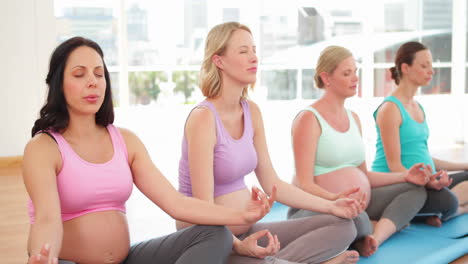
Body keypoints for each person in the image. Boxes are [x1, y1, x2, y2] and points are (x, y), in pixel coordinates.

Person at [24, 36, 273, 264]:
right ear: (59, 84)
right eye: (79, 75)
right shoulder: (44, 148)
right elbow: (47, 219)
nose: (92, 82)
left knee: (214, 234)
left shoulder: (125, 140)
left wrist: (241, 216)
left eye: (99, 74)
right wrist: (44, 255)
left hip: (128, 259)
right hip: (69, 261)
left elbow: (176, 203)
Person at [176, 22, 366, 264]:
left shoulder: (251, 111)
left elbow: (273, 183)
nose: (254, 57)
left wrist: (332, 205)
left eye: (254, 50)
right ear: (219, 61)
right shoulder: (203, 119)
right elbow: (203, 210)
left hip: (248, 229)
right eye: (243, 51)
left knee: (343, 226)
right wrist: (241, 247)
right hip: (211, 243)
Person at [287, 45, 431, 257]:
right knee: (357, 219)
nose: (355, 78)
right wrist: (335, 199)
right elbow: (304, 184)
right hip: (319, 207)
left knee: (415, 190)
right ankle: (368, 230)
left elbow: (364, 175)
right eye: (347, 73)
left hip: (357, 204)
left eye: (355, 72)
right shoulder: (308, 119)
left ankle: (374, 236)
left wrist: (405, 176)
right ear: (326, 78)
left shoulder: (354, 118)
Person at [372, 41, 468, 227]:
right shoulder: (390, 109)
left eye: (431, 65)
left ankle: (436, 213)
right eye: (424, 66)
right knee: (449, 201)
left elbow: (425, 157)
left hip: (428, 182)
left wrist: (463, 165)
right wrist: (426, 182)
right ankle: (452, 210)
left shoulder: (418, 107)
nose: (431, 71)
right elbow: (394, 166)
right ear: (405, 68)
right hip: (401, 186)